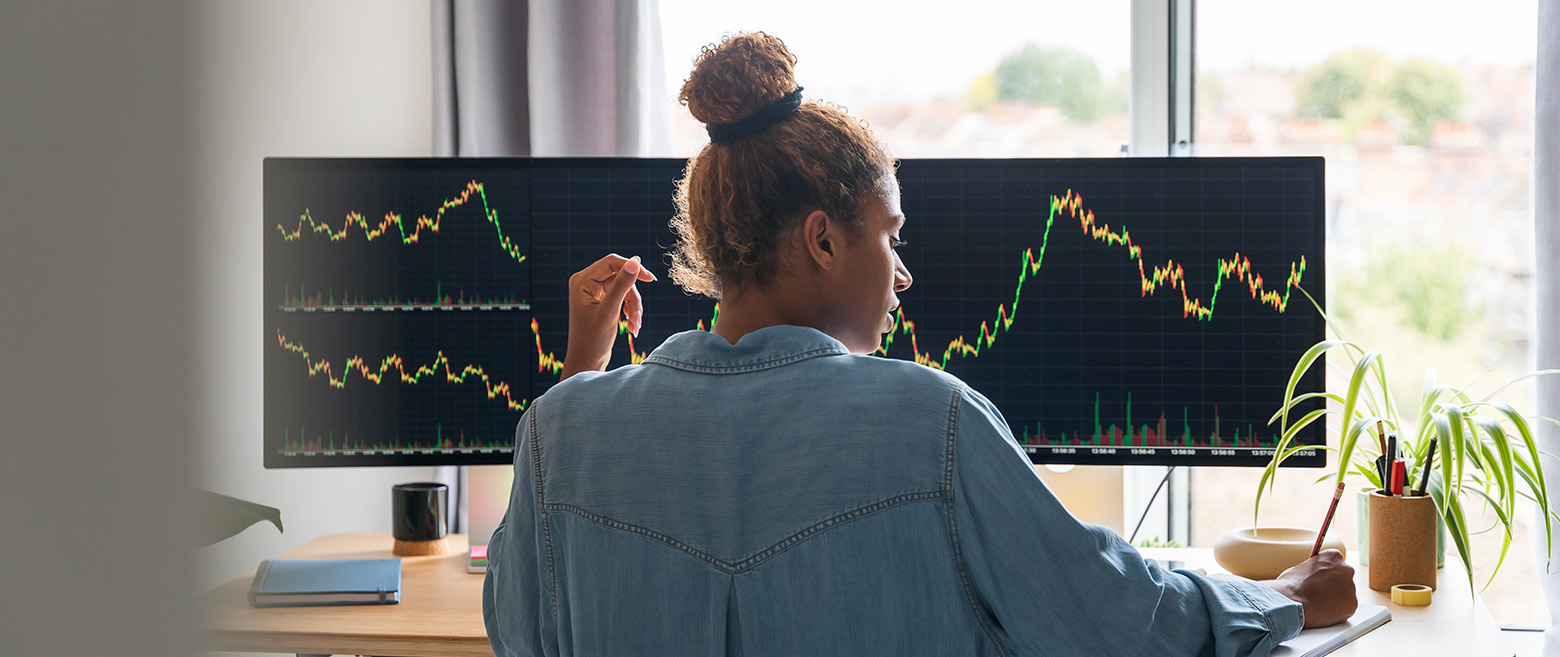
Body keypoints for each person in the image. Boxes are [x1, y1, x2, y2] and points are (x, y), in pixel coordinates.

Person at [483, 32, 1356, 656]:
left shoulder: (560, 428)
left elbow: (521, 631)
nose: (901, 274)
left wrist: (578, 379)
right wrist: (1274, 598)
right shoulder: (932, 420)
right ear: (822, 240)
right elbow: (1114, 618)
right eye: (889, 236)